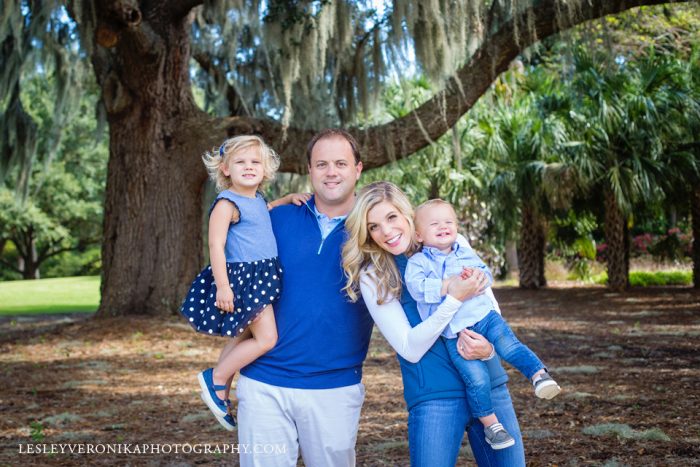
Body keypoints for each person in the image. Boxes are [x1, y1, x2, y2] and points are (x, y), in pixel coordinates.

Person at [342, 181, 527, 466]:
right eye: (374, 227)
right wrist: (453, 299)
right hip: (434, 398)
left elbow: (490, 308)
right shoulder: (373, 275)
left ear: (407, 214)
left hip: (488, 385)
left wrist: (489, 349)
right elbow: (409, 348)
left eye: (391, 218)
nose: (387, 232)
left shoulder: (451, 243)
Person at [236, 129, 374, 466]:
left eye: (341, 163)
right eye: (321, 164)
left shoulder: (375, 228)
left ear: (357, 169)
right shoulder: (276, 219)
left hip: (335, 387)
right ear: (309, 170)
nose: (331, 172)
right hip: (263, 383)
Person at [405, 198, 561, 450]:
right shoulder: (418, 263)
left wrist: (477, 276)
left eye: (449, 222)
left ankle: (539, 376)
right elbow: (418, 290)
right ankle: (492, 426)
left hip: (485, 317)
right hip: (457, 333)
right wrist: (449, 286)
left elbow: (485, 275)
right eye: (434, 224)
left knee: (510, 346)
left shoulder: (464, 252)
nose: (443, 227)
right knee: (475, 378)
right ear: (419, 235)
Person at [180, 135, 308, 431]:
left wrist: (285, 200)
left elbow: (262, 215)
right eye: (240, 162)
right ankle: (217, 378)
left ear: (265, 169)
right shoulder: (226, 204)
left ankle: (221, 389)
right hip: (244, 281)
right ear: (225, 168)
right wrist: (223, 287)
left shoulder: (258, 199)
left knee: (241, 335)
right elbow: (215, 245)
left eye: (255, 162)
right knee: (266, 339)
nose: (249, 167)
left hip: (262, 276)